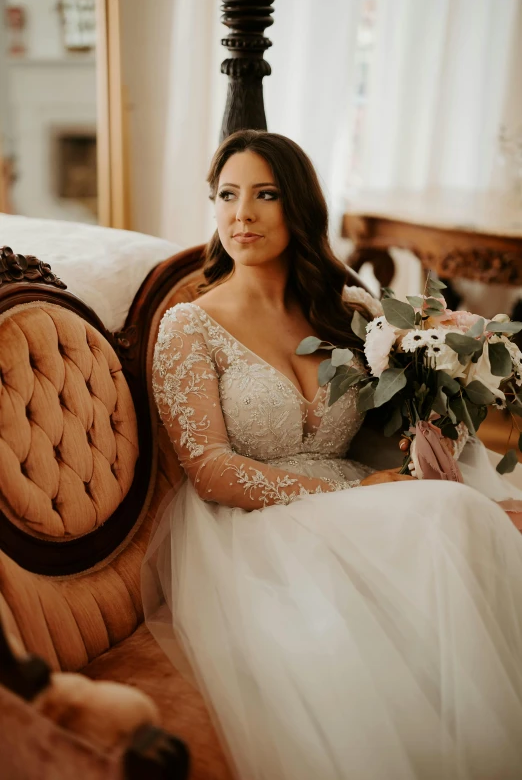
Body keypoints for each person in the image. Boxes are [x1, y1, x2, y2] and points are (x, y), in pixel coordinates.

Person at [142, 130, 522, 780]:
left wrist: (429, 419)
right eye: (227, 195)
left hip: (364, 491)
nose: (242, 213)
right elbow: (209, 468)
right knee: (447, 521)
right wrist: (350, 495)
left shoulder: (346, 307)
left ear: (299, 206)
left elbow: (388, 425)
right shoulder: (188, 325)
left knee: (461, 514)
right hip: (260, 524)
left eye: (265, 194)